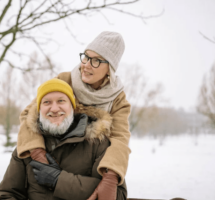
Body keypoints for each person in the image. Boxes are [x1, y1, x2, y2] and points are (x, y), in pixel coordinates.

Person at [17, 31, 131, 199]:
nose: (86, 65)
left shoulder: (117, 100)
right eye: (85, 57)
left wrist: (110, 177)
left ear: (110, 69)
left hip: (89, 167)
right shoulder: (65, 80)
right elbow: (29, 114)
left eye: (96, 61)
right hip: (56, 155)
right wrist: (37, 152)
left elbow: (120, 139)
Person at [0, 79, 127, 200]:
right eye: (46, 102)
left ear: (72, 106)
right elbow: (6, 195)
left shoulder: (97, 143)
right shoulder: (27, 147)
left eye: (61, 101)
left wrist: (59, 180)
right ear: (39, 109)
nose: (54, 109)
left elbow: (118, 195)